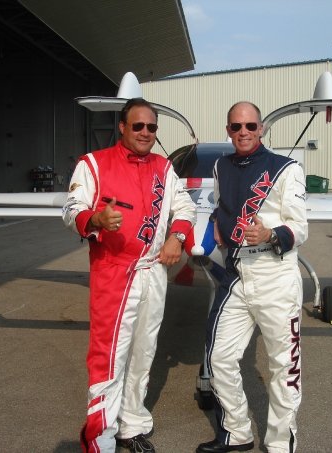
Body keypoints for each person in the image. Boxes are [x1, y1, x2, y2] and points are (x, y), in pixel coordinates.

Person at [62, 98, 196, 453]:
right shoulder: (93, 164)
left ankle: (131, 424)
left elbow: (185, 207)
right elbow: (71, 208)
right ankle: (100, 439)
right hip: (113, 273)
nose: (146, 133)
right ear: (122, 127)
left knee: (144, 352)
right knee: (109, 357)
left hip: (153, 272)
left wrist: (177, 237)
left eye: (152, 127)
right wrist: (96, 219)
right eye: (138, 126)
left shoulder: (164, 167)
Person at [197, 102, 308, 453]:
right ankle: (237, 432)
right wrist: (216, 221)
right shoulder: (220, 165)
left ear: (261, 129)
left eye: (249, 126)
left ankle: (279, 445)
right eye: (235, 126)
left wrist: (271, 234)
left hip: (275, 273)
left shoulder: (286, 168)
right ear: (228, 130)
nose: (242, 132)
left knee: (283, 367)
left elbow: (300, 226)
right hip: (236, 274)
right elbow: (222, 203)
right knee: (219, 359)